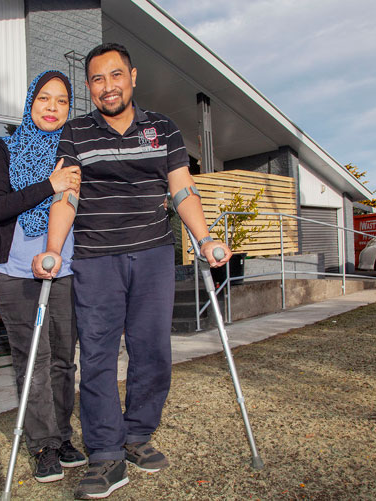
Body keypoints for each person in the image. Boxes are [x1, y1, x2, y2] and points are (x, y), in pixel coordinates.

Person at [32, 43, 231, 499]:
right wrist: (53, 249)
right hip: (97, 261)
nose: (108, 86)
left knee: (152, 352)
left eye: (116, 75)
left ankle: (137, 436)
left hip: (154, 256)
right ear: (88, 87)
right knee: (98, 356)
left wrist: (205, 239)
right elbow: (68, 195)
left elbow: (182, 189)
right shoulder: (76, 133)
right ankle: (106, 454)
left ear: (133, 77)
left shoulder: (163, 128)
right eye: (98, 79)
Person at [0, 70, 86, 483]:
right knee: (34, 359)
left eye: (62, 101)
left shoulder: (72, 151)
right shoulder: (4, 149)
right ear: (30, 101)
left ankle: (61, 436)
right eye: (45, 98)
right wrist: (48, 184)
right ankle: (41, 445)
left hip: (66, 270)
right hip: (16, 271)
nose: (53, 108)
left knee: (63, 360)